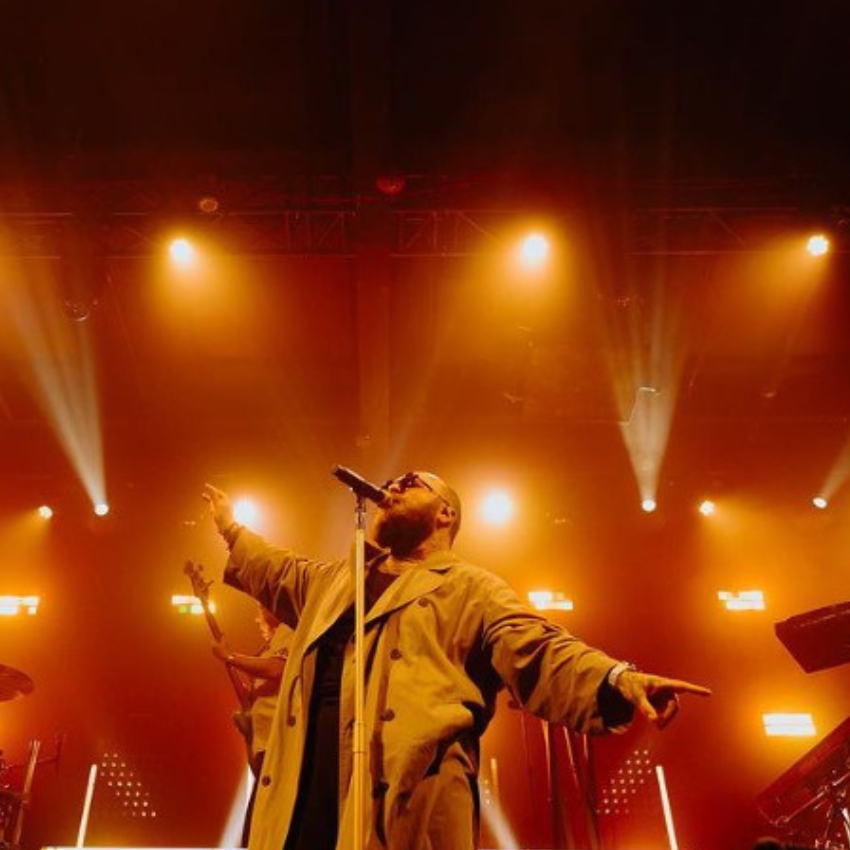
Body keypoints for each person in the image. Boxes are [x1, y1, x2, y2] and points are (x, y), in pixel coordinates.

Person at [202, 472, 710, 850]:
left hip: (404, 799)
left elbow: (538, 649)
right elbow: (278, 570)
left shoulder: (471, 588)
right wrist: (231, 530)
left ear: (445, 514)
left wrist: (617, 679)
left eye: (412, 482)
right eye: (390, 481)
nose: (393, 485)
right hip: (304, 791)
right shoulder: (336, 580)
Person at [211, 603, 290, 846]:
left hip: (279, 742)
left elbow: (276, 669)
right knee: (260, 819)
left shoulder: (289, 631)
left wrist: (231, 657)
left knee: (267, 818)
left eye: (262, 606)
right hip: (263, 742)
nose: (258, 615)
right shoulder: (273, 640)